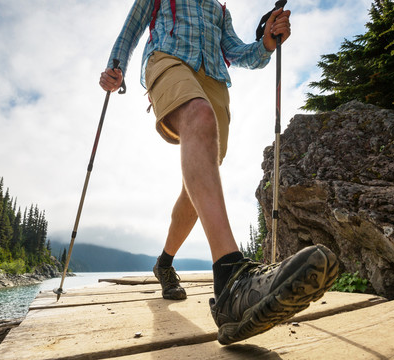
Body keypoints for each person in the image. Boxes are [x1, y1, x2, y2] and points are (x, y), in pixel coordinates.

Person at [100, 0, 338, 345]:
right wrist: (115, 68)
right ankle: (231, 279)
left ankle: (164, 264)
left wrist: (267, 42)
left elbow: (240, 52)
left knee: (195, 190)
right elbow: (129, 32)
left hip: (213, 79)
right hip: (167, 61)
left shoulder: (218, 10)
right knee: (198, 115)